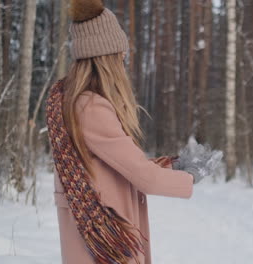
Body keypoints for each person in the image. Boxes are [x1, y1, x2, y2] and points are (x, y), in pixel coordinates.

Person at [46, 1, 203, 263]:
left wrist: (172, 165)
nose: (123, 61)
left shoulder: (70, 100)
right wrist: (190, 178)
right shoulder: (91, 107)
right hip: (107, 242)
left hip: (90, 238)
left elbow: (121, 165)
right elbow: (144, 177)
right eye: (120, 55)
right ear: (107, 57)